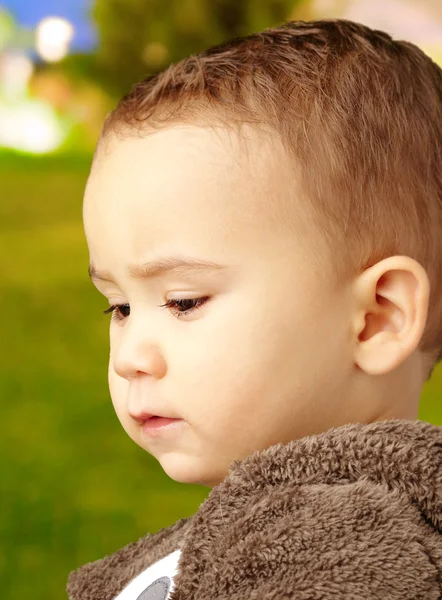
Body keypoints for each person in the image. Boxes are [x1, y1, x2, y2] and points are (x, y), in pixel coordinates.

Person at [67, 17, 442, 600]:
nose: (131, 357)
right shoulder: (266, 529)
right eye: (118, 308)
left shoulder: (335, 556)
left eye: (183, 301)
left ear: (377, 317)